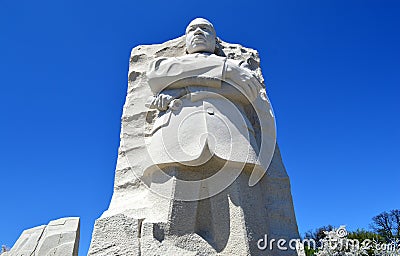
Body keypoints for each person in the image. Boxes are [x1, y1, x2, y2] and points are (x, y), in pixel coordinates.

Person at [144, 18, 275, 199]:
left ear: (215, 41)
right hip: (174, 136)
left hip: (233, 135)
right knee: (172, 207)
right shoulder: (166, 64)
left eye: (205, 29)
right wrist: (225, 71)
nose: (198, 32)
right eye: (192, 29)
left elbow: (247, 93)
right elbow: (157, 76)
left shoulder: (240, 66)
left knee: (244, 214)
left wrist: (184, 90)